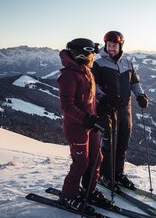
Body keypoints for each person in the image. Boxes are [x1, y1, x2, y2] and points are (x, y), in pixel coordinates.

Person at [58, 38, 111, 213]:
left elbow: (89, 102)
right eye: (90, 53)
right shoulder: (68, 75)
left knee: (97, 159)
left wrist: (99, 116)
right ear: (82, 54)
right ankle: (68, 196)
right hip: (76, 127)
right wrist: (88, 119)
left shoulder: (86, 72)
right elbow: (67, 105)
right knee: (81, 163)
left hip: (90, 124)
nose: (92, 57)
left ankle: (90, 190)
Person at [92, 31, 148, 188]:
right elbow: (94, 86)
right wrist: (104, 98)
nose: (111, 48)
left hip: (126, 110)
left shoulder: (128, 63)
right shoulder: (99, 64)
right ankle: (105, 175)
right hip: (108, 109)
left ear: (120, 46)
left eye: (114, 45)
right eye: (109, 45)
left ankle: (118, 174)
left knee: (123, 143)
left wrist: (141, 96)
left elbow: (134, 83)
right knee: (109, 145)